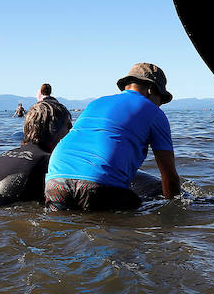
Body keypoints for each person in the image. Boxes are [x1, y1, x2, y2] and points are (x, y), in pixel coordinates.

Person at [45, 63, 181, 212]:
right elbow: (170, 178)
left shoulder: (96, 103)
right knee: (129, 223)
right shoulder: (154, 112)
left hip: (55, 182)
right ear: (151, 89)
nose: (160, 105)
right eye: (160, 99)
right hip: (98, 186)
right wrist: (174, 213)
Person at [0, 99, 72, 208]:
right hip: (8, 219)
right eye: (68, 127)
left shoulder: (4, 154)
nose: (70, 132)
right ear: (53, 129)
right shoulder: (48, 161)